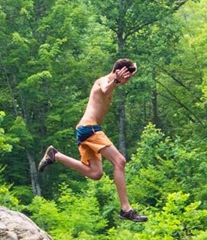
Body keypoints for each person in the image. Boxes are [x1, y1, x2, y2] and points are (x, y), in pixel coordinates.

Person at [38, 59, 147, 222]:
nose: (127, 81)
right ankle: (126, 208)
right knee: (120, 161)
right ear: (120, 72)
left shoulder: (113, 84)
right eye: (127, 77)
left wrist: (116, 82)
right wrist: (115, 81)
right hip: (90, 128)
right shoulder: (104, 81)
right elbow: (104, 89)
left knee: (96, 174)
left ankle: (55, 155)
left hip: (85, 130)